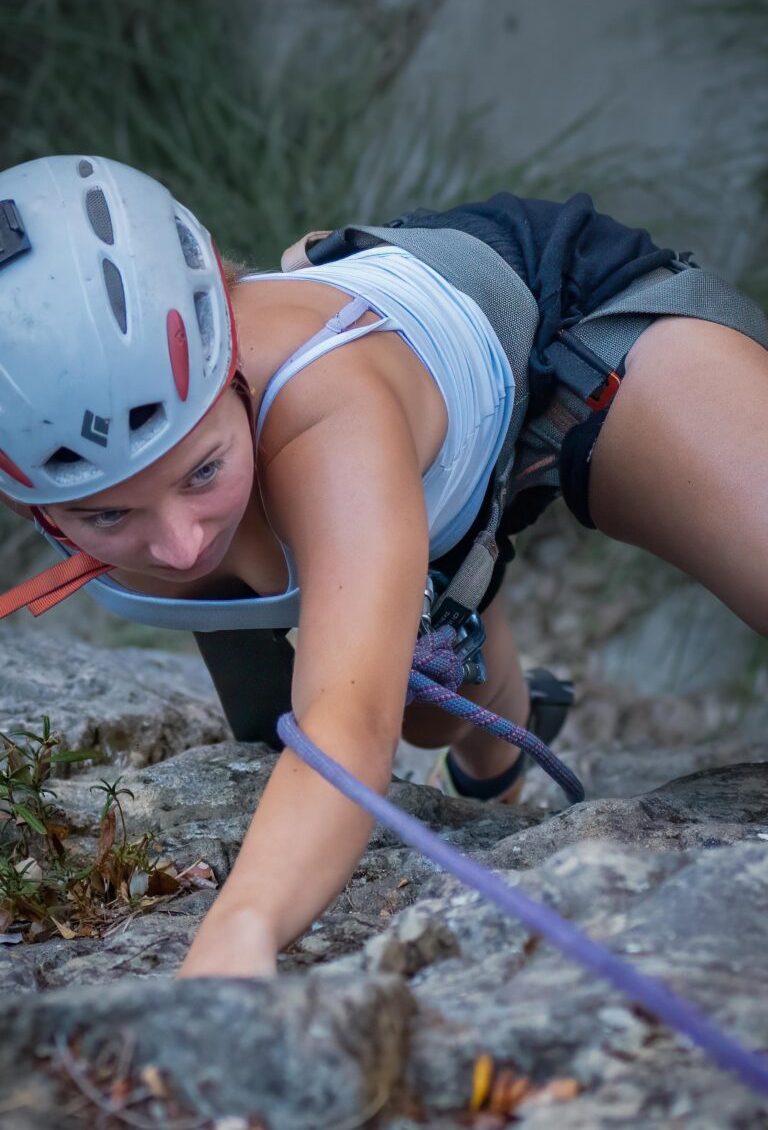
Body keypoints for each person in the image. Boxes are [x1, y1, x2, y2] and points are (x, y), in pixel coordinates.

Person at [1, 155, 767, 981]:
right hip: (412, 477)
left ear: (232, 370)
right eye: (106, 514)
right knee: (429, 715)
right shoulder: (127, 470)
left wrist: (238, 934)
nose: (183, 545)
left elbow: (343, 731)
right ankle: (485, 705)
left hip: (591, 347)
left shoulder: (327, 413)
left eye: (203, 469)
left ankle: (442, 584)